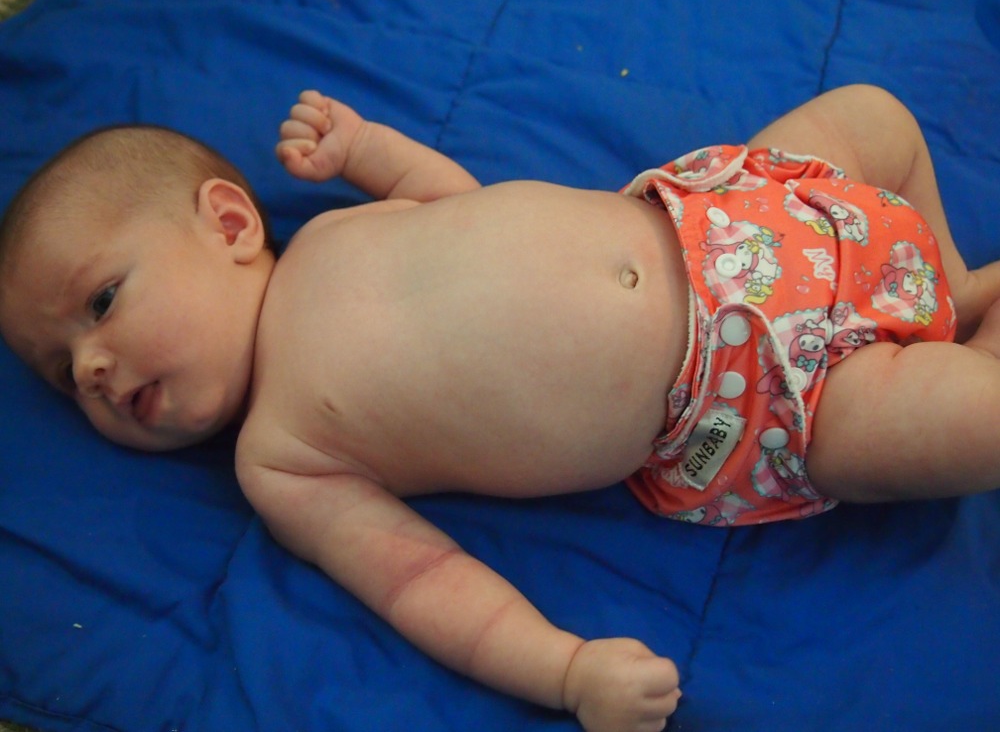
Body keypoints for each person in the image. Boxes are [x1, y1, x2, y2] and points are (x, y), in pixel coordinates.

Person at [2, 84, 1000, 731]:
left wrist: (368, 146)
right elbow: (420, 579)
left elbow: (460, 203)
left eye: (100, 303)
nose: (89, 368)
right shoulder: (280, 456)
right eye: (59, 371)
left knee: (874, 116)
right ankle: (960, 341)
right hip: (749, 398)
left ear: (227, 223)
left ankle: (948, 291)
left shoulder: (337, 233)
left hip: (728, 212)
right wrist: (564, 671)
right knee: (968, 425)